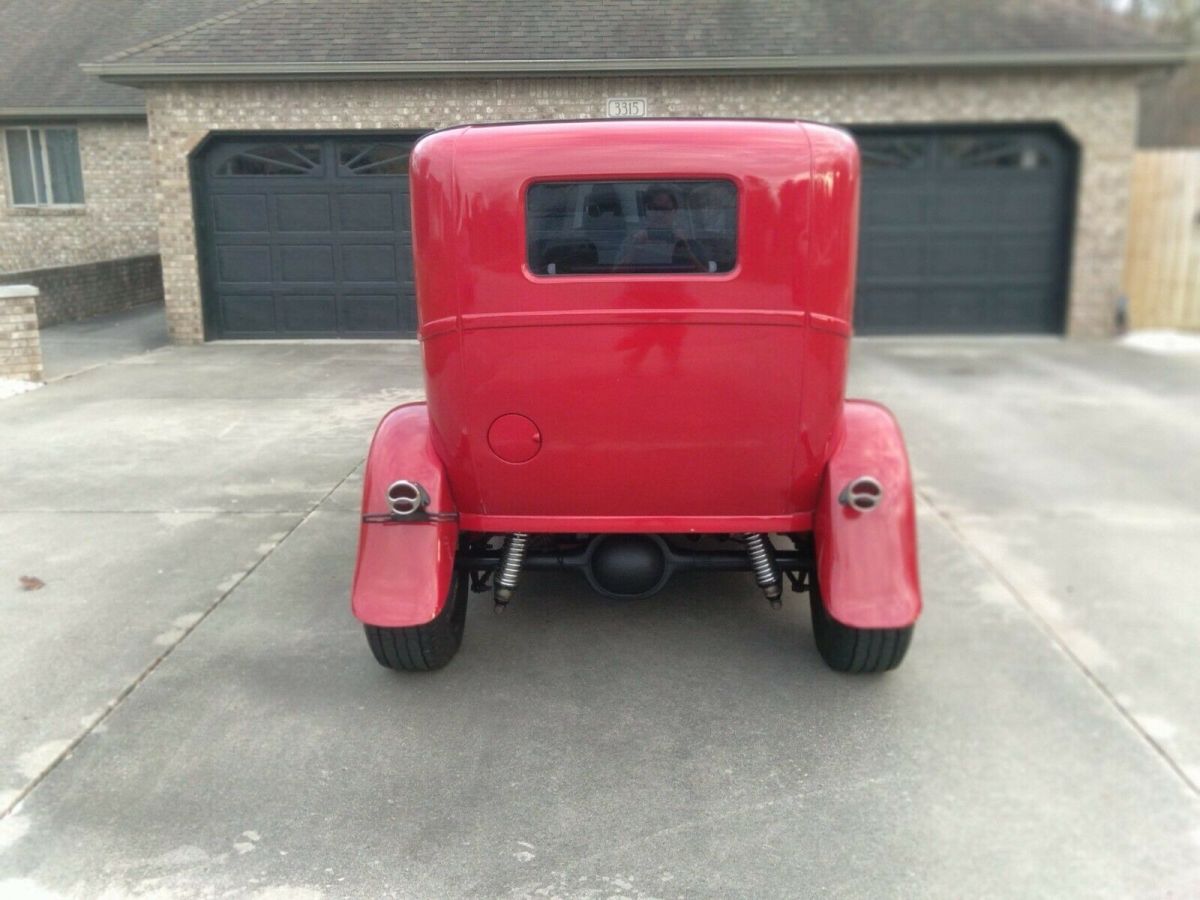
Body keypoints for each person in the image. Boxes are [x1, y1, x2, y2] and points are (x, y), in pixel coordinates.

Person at [614, 185, 706, 271]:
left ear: (675, 211)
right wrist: (635, 248)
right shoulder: (632, 241)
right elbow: (616, 274)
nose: (659, 214)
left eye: (665, 208)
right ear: (646, 211)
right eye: (654, 208)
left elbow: (706, 275)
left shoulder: (689, 241)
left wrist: (685, 249)